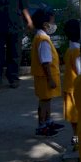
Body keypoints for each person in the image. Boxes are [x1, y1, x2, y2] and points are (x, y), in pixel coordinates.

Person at [30, 8, 64, 137]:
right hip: (45, 77)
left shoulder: (40, 37)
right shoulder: (43, 40)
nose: (54, 25)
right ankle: (42, 125)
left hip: (43, 76)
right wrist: (50, 79)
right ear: (45, 24)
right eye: (52, 22)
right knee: (44, 101)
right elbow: (45, 62)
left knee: (46, 100)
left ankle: (47, 121)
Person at [63, 19, 81, 149]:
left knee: (73, 115)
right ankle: (78, 138)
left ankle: (75, 136)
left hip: (69, 86)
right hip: (76, 87)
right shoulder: (77, 51)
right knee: (78, 115)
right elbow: (80, 70)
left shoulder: (69, 49)